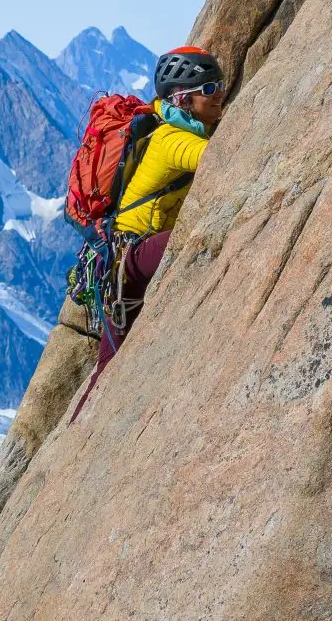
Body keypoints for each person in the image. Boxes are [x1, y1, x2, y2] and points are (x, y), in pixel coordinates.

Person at [69, 45, 225, 422]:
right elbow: (223, 159)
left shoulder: (168, 128)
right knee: (191, 242)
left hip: (122, 262)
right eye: (208, 89)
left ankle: (75, 433)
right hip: (132, 258)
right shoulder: (173, 139)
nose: (219, 94)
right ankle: (74, 444)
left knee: (109, 366)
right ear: (183, 99)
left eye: (219, 85)